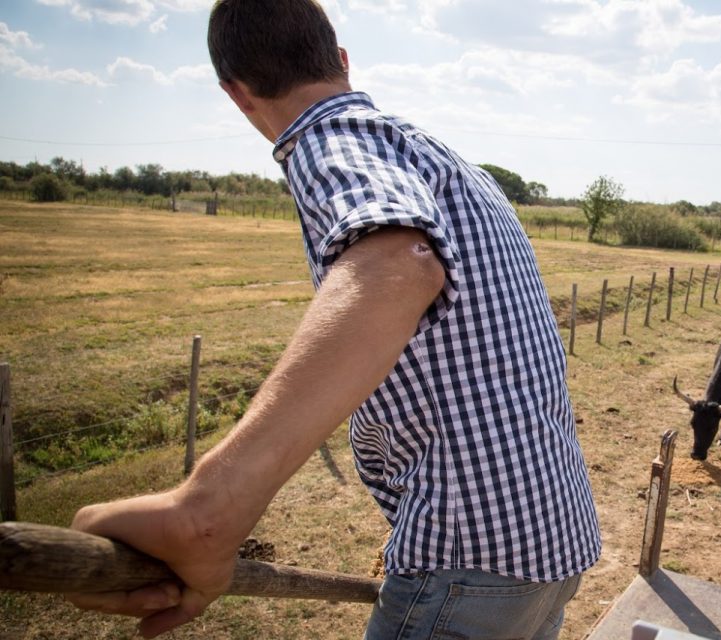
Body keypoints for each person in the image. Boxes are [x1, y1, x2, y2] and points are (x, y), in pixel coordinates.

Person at [66, 0, 602, 637]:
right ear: (342, 61)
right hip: (548, 534)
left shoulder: (328, 140)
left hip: (472, 553)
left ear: (236, 94)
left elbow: (401, 265)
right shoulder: (441, 159)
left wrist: (208, 506)